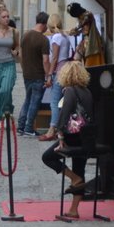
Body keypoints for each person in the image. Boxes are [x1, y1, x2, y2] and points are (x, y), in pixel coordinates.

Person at [41, 60, 94, 220]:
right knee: (80, 168)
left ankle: (73, 178)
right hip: (86, 137)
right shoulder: (87, 91)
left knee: (48, 157)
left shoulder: (70, 91)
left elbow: (64, 115)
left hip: (73, 136)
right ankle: (73, 209)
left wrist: (60, 136)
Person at [40, 12, 73, 141]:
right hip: (66, 69)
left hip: (59, 71)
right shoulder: (65, 37)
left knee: (54, 102)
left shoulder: (56, 38)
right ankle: (60, 129)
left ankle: (52, 129)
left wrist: (49, 75)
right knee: (62, 102)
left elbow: (54, 59)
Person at [17, 11, 49, 137]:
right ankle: (29, 127)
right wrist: (48, 75)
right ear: (44, 24)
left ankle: (21, 126)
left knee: (27, 99)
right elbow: (45, 60)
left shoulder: (25, 36)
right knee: (35, 101)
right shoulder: (43, 40)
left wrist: (24, 68)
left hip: (27, 74)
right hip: (38, 75)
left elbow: (20, 55)